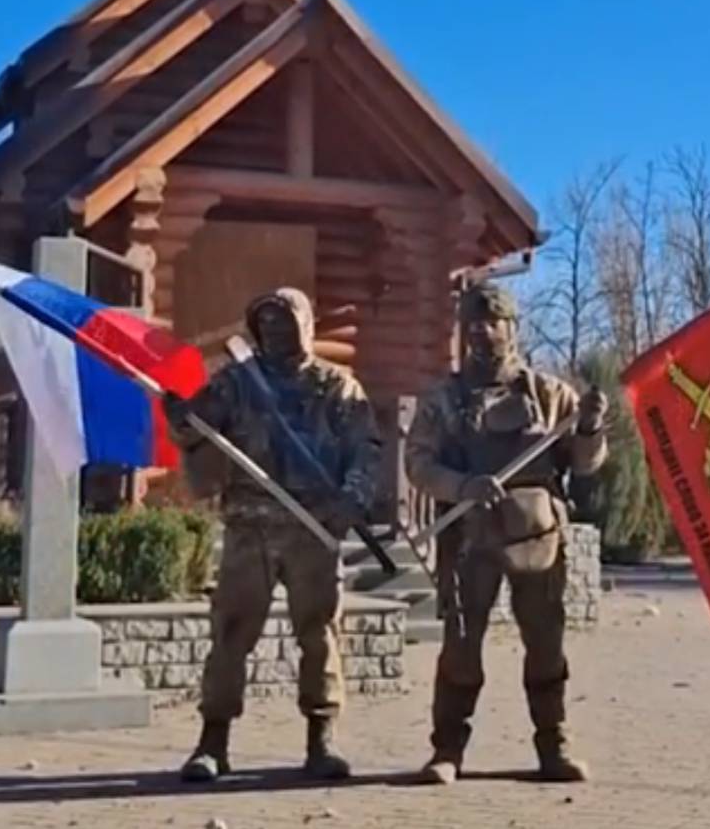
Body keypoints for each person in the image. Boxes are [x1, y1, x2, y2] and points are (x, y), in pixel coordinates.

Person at [165, 288, 381, 783]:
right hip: (250, 525)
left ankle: (321, 740)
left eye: (286, 322)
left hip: (312, 527)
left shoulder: (336, 386)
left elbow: (364, 448)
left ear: (306, 324)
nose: (278, 332)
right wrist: (180, 419)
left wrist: (352, 496)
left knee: (320, 634)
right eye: (268, 324)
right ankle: (212, 743)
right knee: (231, 633)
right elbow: (196, 427)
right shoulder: (237, 383)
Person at [407, 281, 609, 785]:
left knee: (545, 642)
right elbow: (418, 464)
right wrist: (461, 485)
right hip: (468, 537)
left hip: (537, 538)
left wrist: (589, 429)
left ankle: (553, 742)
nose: (482, 332)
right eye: (472, 324)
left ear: (512, 328)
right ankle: (447, 748)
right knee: (460, 644)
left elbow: (583, 465)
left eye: (493, 323)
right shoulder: (442, 399)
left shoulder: (550, 394)